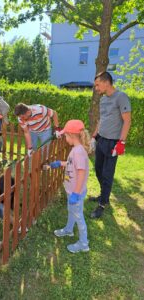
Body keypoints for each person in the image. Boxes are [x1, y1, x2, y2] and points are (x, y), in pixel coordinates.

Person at [90, 72, 131, 218]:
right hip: (101, 139)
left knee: (107, 174)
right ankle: (103, 195)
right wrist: (94, 136)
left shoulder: (121, 97)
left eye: (97, 84)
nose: (96, 88)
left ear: (106, 82)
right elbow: (101, 119)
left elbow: (127, 120)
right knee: (98, 170)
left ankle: (102, 204)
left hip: (113, 142)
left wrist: (122, 142)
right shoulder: (103, 100)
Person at [47, 120, 91, 253]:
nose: (65, 139)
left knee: (78, 216)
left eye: (65, 136)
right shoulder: (76, 150)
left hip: (75, 192)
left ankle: (84, 243)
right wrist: (61, 163)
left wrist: (76, 193)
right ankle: (68, 230)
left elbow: (82, 172)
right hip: (71, 191)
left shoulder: (78, 151)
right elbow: (73, 164)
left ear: (72, 135)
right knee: (71, 211)